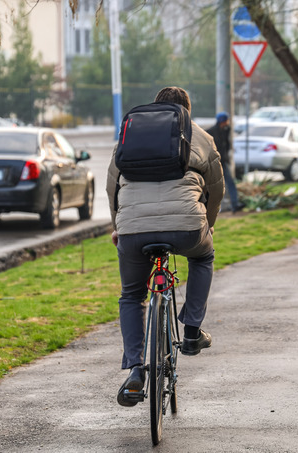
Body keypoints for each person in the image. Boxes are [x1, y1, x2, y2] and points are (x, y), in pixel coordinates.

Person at [106, 86, 225, 407]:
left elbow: (112, 185)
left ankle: (134, 368)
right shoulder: (200, 136)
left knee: (132, 295)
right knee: (204, 257)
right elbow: (216, 188)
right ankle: (191, 333)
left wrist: (118, 226)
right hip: (187, 227)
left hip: (132, 231)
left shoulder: (130, 136)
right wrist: (207, 224)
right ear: (186, 111)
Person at [206, 112, 242, 213]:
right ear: (223, 121)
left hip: (223, 161)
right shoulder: (211, 132)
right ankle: (213, 207)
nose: (228, 122)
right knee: (214, 185)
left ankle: (235, 204)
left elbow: (226, 145)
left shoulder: (226, 130)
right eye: (226, 120)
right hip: (214, 162)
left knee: (230, 182)